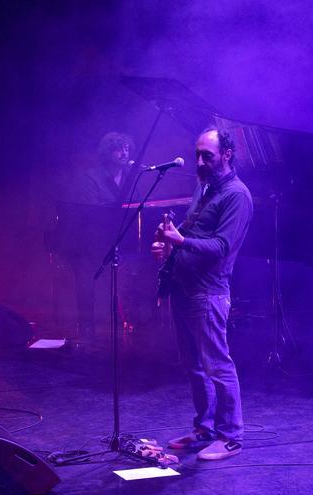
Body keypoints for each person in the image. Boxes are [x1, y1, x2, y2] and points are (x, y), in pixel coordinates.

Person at [151, 127, 253, 461]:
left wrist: (180, 241)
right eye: (197, 154)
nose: (199, 161)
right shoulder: (204, 187)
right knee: (194, 365)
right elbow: (192, 234)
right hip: (185, 287)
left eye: (207, 155)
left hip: (208, 292)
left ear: (227, 154)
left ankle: (231, 436)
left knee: (217, 366)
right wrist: (168, 245)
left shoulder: (237, 195)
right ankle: (205, 429)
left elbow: (221, 247)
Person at [61, 132, 136, 340]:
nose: (124, 153)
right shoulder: (91, 177)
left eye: (127, 149)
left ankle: (122, 325)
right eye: (119, 149)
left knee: (122, 279)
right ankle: (86, 329)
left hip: (116, 238)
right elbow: (92, 211)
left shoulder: (130, 177)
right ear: (108, 152)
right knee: (86, 283)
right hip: (88, 241)